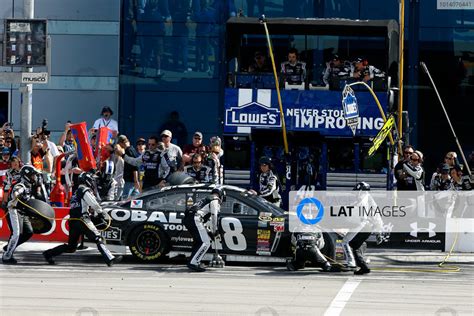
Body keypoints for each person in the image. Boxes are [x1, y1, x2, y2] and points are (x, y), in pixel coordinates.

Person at [43, 172, 122, 266]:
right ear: (87, 180)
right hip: (82, 219)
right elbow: (94, 204)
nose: (93, 182)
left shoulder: (76, 192)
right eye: (91, 180)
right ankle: (110, 259)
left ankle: (48, 254)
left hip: (73, 220)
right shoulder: (84, 190)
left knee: (71, 247)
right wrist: (100, 213)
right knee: (98, 238)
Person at [343, 182, 387, 275]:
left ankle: (351, 264)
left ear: (361, 191)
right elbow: (377, 216)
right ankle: (363, 267)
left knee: (346, 242)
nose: (355, 193)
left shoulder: (362, 199)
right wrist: (379, 231)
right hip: (367, 226)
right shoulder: (368, 199)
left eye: (357, 191)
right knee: (354, 246)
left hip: (362, 225)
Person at [2, 165, 41, 264]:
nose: (34, 178)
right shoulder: (21, 185)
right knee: (16, 234)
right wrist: (17, 194)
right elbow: (17, 191)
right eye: (32, 175)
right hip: (13, 210)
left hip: (22, 212)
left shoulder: (29, 185)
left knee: (28, 232)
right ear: (27, 175)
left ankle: (9, 247)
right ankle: (7, 256)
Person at [183, 186, 225, 272]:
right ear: (221, 195)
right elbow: (214, 216)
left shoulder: (207, 198)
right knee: (205, 243)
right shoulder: (215, 200)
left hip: (189, 218)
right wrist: (215, 230)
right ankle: (193, 262)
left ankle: (193, 260)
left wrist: (209, 231)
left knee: (198, 242)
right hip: (195, 218)